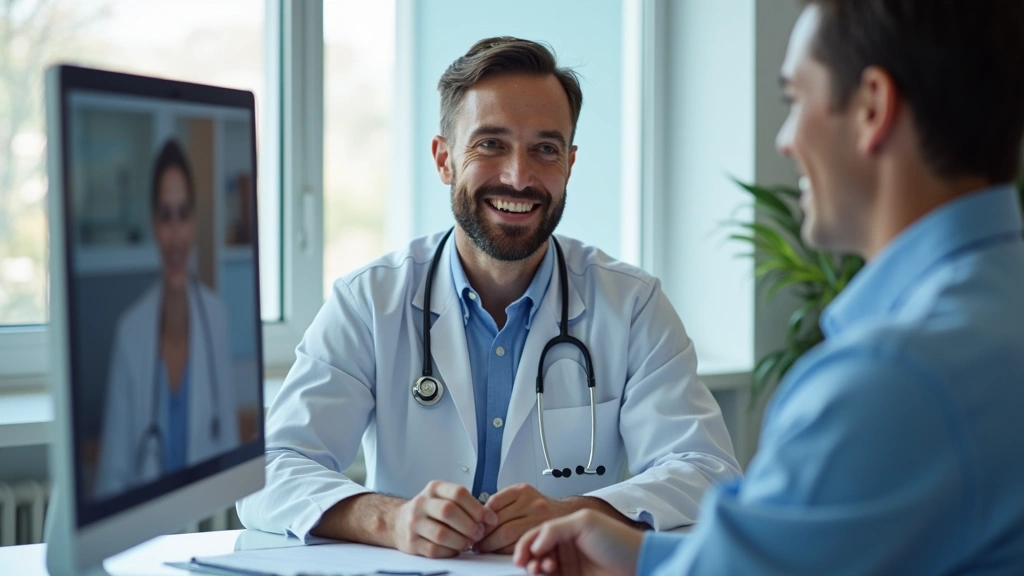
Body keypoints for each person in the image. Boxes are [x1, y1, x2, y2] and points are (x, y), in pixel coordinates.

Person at [513, 1, 1024, 573]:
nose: (785, 140)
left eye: (795, 100)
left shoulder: (894, 377)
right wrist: (644, 556)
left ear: (873, 108)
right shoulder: (997, 311)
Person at [236, 36, 741, 557]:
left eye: (545, 149)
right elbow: (267, 469)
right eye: (490, 144)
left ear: (569, 164)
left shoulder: (632, 305)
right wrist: (389, 518)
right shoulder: (369, 301)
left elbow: (706, 470)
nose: (518, 177)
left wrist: (575, 513)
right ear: (444, 159)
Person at [94, 140, 239, 498]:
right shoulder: (130, 333)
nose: (175, 235)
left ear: (195, 223)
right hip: (143, 525)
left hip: (205, 520)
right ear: (153, 225)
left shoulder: (217, 319)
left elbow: (231, 459)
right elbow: (111, 477)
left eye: (183, 214)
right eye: (165, 215)